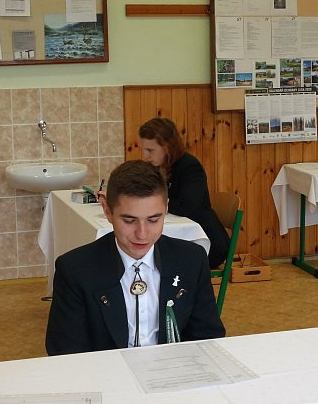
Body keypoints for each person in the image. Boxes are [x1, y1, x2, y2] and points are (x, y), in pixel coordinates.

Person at [45, 159, 225, 355]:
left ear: (166, 208)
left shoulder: (192, 260)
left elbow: (208, 338)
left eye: (154, 220)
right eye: (129, 220)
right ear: (107, 211)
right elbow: (67, 353)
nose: (142, 234)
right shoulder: (75, 270)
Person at [138, 117, 231, 268]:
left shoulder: (189, 167)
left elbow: (187, 207)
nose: (146, 156)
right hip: (180, 239)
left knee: (153, 260)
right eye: (144, 150)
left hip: (206, 242)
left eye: (150, 150)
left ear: (167, 147)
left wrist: (155, 203)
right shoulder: (157, 166)